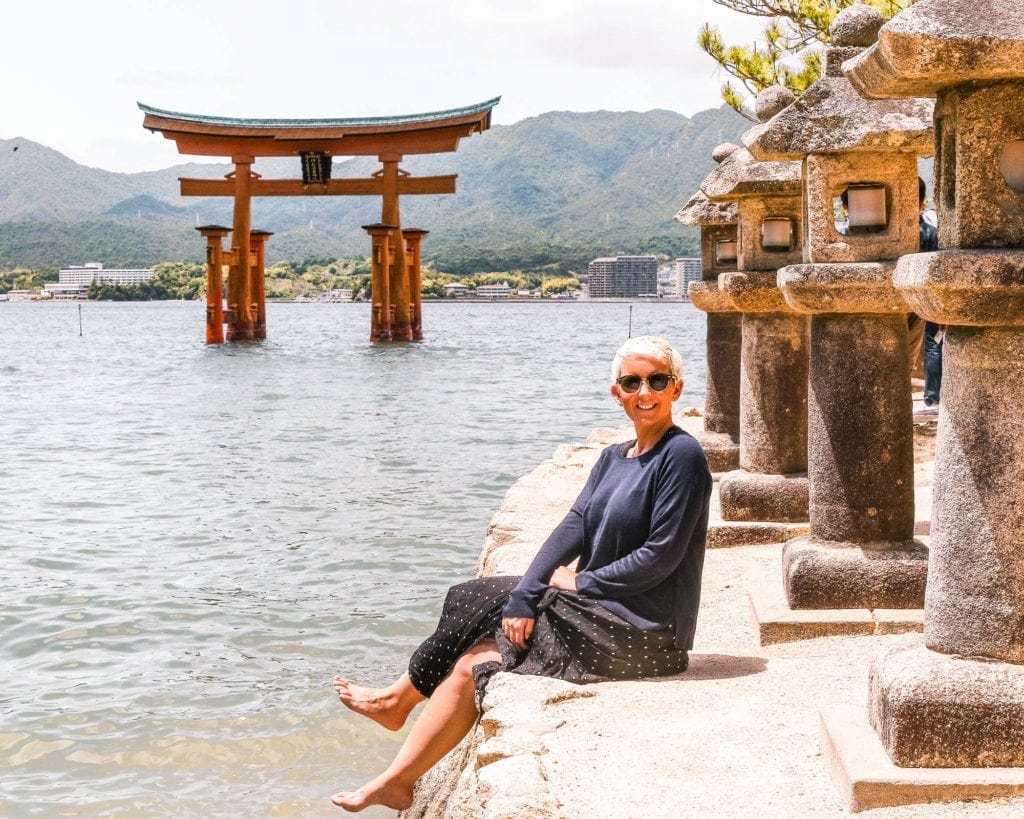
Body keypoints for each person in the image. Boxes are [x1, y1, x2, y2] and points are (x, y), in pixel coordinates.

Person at [330, 335, 713, 812]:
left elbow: (662, 554)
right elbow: (573, 525)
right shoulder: (613, 458)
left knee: (480, 636)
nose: (645, 392)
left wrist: (580, 582)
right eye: (631, 382)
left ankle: (396, 713)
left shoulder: (682, 456)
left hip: (646, 633)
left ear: (676, 388)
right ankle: (396, 759)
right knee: (477, 617)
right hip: (601, 614)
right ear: (616, 392)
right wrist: (525, 594)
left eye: (657, 380)